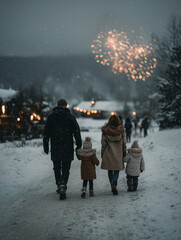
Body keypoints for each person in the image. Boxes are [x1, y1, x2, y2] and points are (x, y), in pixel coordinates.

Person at [43, 99, 82, 200]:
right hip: (67, 146)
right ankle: (63, 183)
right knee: (65, 168)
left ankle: (59, 184)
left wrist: (46, 145)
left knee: (56, 167)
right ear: (66, 105)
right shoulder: (70, 117)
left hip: (55, 146)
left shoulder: (51, 117)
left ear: (57, 105)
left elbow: (46, 132)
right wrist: (78, 145)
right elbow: (77, 132)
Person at [101, 115, 127, 195]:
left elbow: (103, 143)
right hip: (118, 153)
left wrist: (102, 153)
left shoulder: (105, 131)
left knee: (110, 169)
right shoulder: (121, 131)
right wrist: (124, 152)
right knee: (116, 169)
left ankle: (112, 184)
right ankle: (114, 182)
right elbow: (124, 143)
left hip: (108, 152)